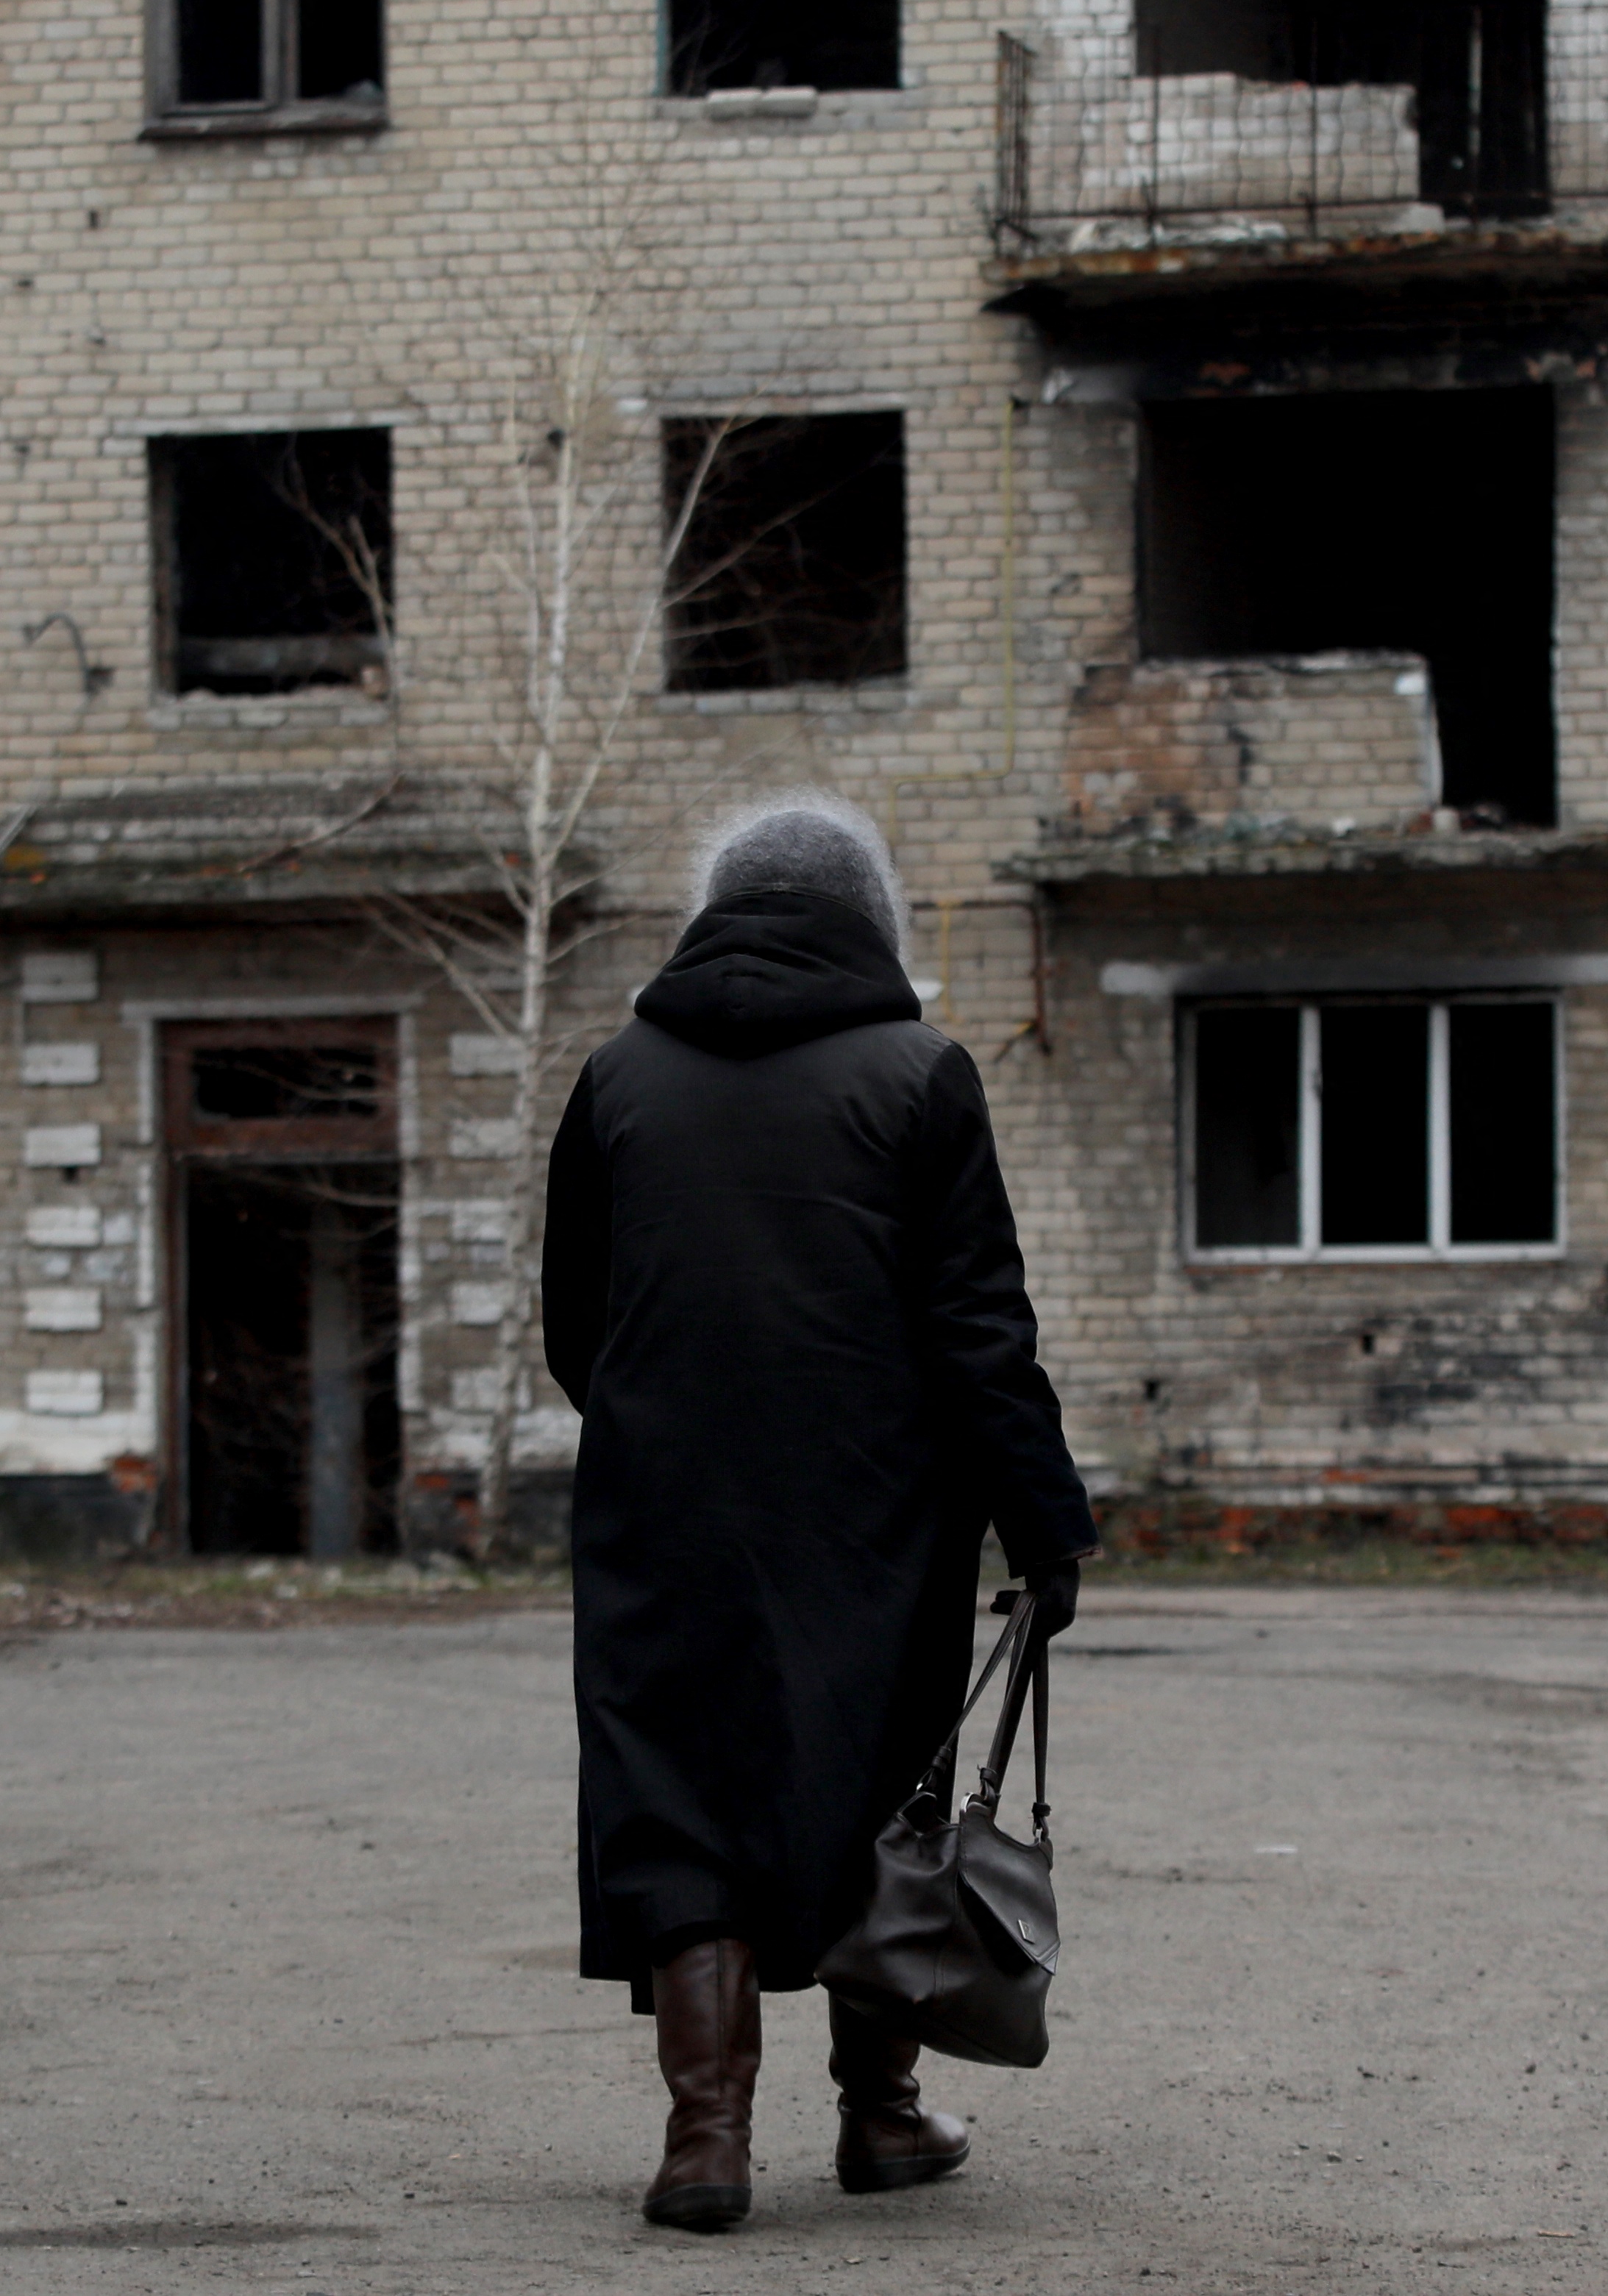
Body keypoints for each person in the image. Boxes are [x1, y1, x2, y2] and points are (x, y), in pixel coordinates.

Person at [537, 792, 1098, 2233]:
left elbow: (575, 1326)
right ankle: (881, 2116)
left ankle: (704, 2142)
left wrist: (667, 1432)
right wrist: (1045, 1522)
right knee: (877, 1791)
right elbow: (980, 1332)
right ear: (872, 919)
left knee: (675, 1793)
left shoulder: (616, 1077)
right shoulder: (921, 1074)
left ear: (712, 914)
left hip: (662, 1510)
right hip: (875, 1515)